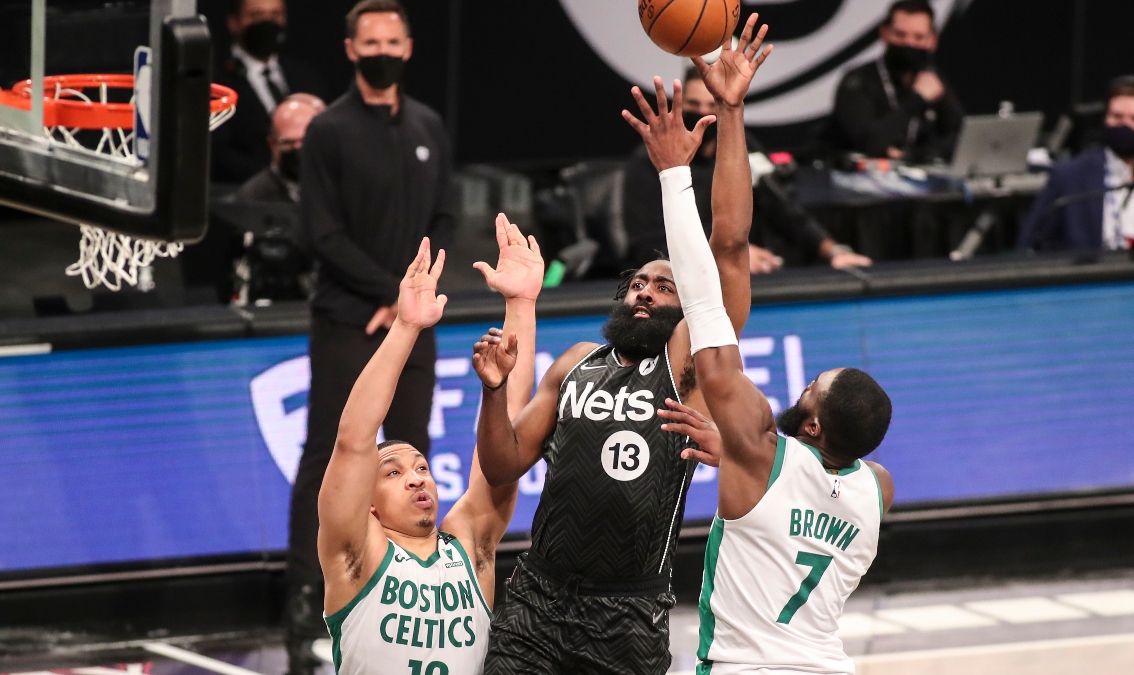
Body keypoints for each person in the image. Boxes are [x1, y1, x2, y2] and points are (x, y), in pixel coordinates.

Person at [472, 17, 773, 674]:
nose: (641, 291)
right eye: (635, 283)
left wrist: (729, 112)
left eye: (662, 287)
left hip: (626, 612)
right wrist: (494, 394)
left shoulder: (689, 368)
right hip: (536, 600)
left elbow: (727, 245)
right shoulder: (576, 362)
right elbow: (500, 467)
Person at [648, 74, 896, 672]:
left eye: (813, 387)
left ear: (811, 425)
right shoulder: (878, 488)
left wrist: (675, 174)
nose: (805, 383)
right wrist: (737, 452)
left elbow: (716, 273)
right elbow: (810, 480)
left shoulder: (761, 449)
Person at [288, 1, 455, 671]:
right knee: (332, 457)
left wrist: (410, 304)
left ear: (409, 47)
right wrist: (394, 297)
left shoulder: (428, 126)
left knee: (409, 454)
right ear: (352, 49)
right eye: (370, 40)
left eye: (393, 38)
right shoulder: (327, 130)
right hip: (347, 322)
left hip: (409, 326)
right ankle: (307, 600)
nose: (382, 48)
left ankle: (405, 584)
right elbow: (320, 233)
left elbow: (444, 216)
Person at [318, 223, 542, 675]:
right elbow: (354, 439)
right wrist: (406, 327)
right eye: (394, 473)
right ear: (370, 506)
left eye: (421, 466)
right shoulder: (357, 554)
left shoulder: (469, 545)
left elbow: (509, 437)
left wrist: (520, 305)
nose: (417, 476)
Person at [625, 67, 872, 272]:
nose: (702, 113)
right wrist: (728, 255)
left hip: (738, 273)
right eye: (693, 104)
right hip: (673, 279)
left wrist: (831, 250)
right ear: (677, 105)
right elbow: (649, 243)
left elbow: (782, 206)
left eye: (711, 105)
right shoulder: (652, 159)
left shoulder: (742, 148)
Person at [1019, 76, 1134, 252]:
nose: (1125, 126)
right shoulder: (1069, 175)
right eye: (1117, 117)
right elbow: (1031, 242)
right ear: (1104, 120)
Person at [829, 0, 963, 163]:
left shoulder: (931, 80)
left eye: (919, 37)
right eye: (900, 35)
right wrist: (916, 97)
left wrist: (913, 155)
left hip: (915, 178)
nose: (909, 43)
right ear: (884, 33)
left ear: (932, 41)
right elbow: (871, 144)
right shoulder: (858, 81)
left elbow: (961, 136)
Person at [212, 0, 326, 184]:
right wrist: (272, 179)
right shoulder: (216, 82)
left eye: (275, 15)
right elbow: (217, 152)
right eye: (257, 15)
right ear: (234, 22)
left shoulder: (306, 78)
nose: (267, 22)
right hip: (242, 196)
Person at [232, 93, 325, 203]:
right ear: (272, 144)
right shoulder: (252, 197)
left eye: (304, 141)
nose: (298, 148)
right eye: (287, 142)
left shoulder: (345, 185)